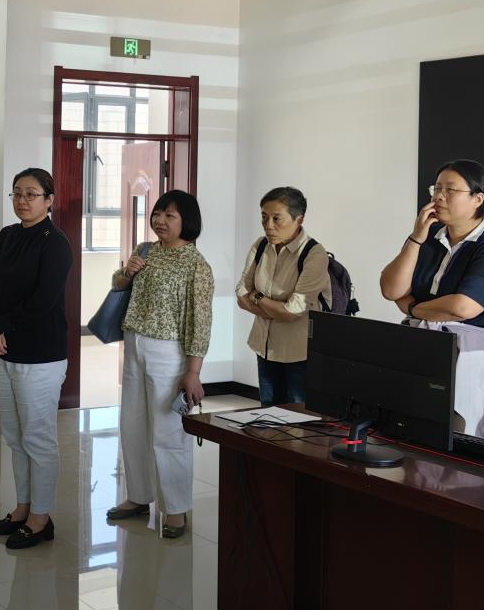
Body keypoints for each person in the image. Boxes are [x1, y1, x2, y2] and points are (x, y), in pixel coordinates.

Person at [106, 190, 212, 539]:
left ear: (186, 222)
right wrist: (126, 272)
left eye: (170, 215)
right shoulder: (145, 250)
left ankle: (176, 508)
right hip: (134, 343)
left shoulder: (196, 265)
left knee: (168, 432)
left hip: (169, 352)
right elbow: (118, 284)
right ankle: (138, 496)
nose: (160, 220)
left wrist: (193, 372)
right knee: (132, 424)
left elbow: (200, 323)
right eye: (157, 213)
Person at [0, 167, 72, 550]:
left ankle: (41, 518)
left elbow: (42, 301)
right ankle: (22, 508)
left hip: (40, 354)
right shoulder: (8, 235)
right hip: (3, 348)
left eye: (31, 194)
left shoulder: (56, 244)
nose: (22, 200)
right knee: (15, 437)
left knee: (38, 438)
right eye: (17, 193)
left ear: (49, 201)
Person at [379, 159, 484, 328]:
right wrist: (415, 239)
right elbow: (391, 290)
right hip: (415, 334)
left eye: (450, 190)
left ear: (478, 199)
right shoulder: (426, 234)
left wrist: (412, 308)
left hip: (465, 339)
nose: (438, 197)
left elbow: (463, 308)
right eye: (436, 189)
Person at [235, 187, 331, 406]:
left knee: (299, 418)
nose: (268, 225)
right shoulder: (261, 245)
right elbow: (241, 294)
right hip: (264, 347)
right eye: (264, 217)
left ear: (299, 220)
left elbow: (292, 312)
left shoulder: (314, 253)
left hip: (299, 353)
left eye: (277, 218)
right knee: (268, 415)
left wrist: (258, 297)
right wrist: (277, 309)